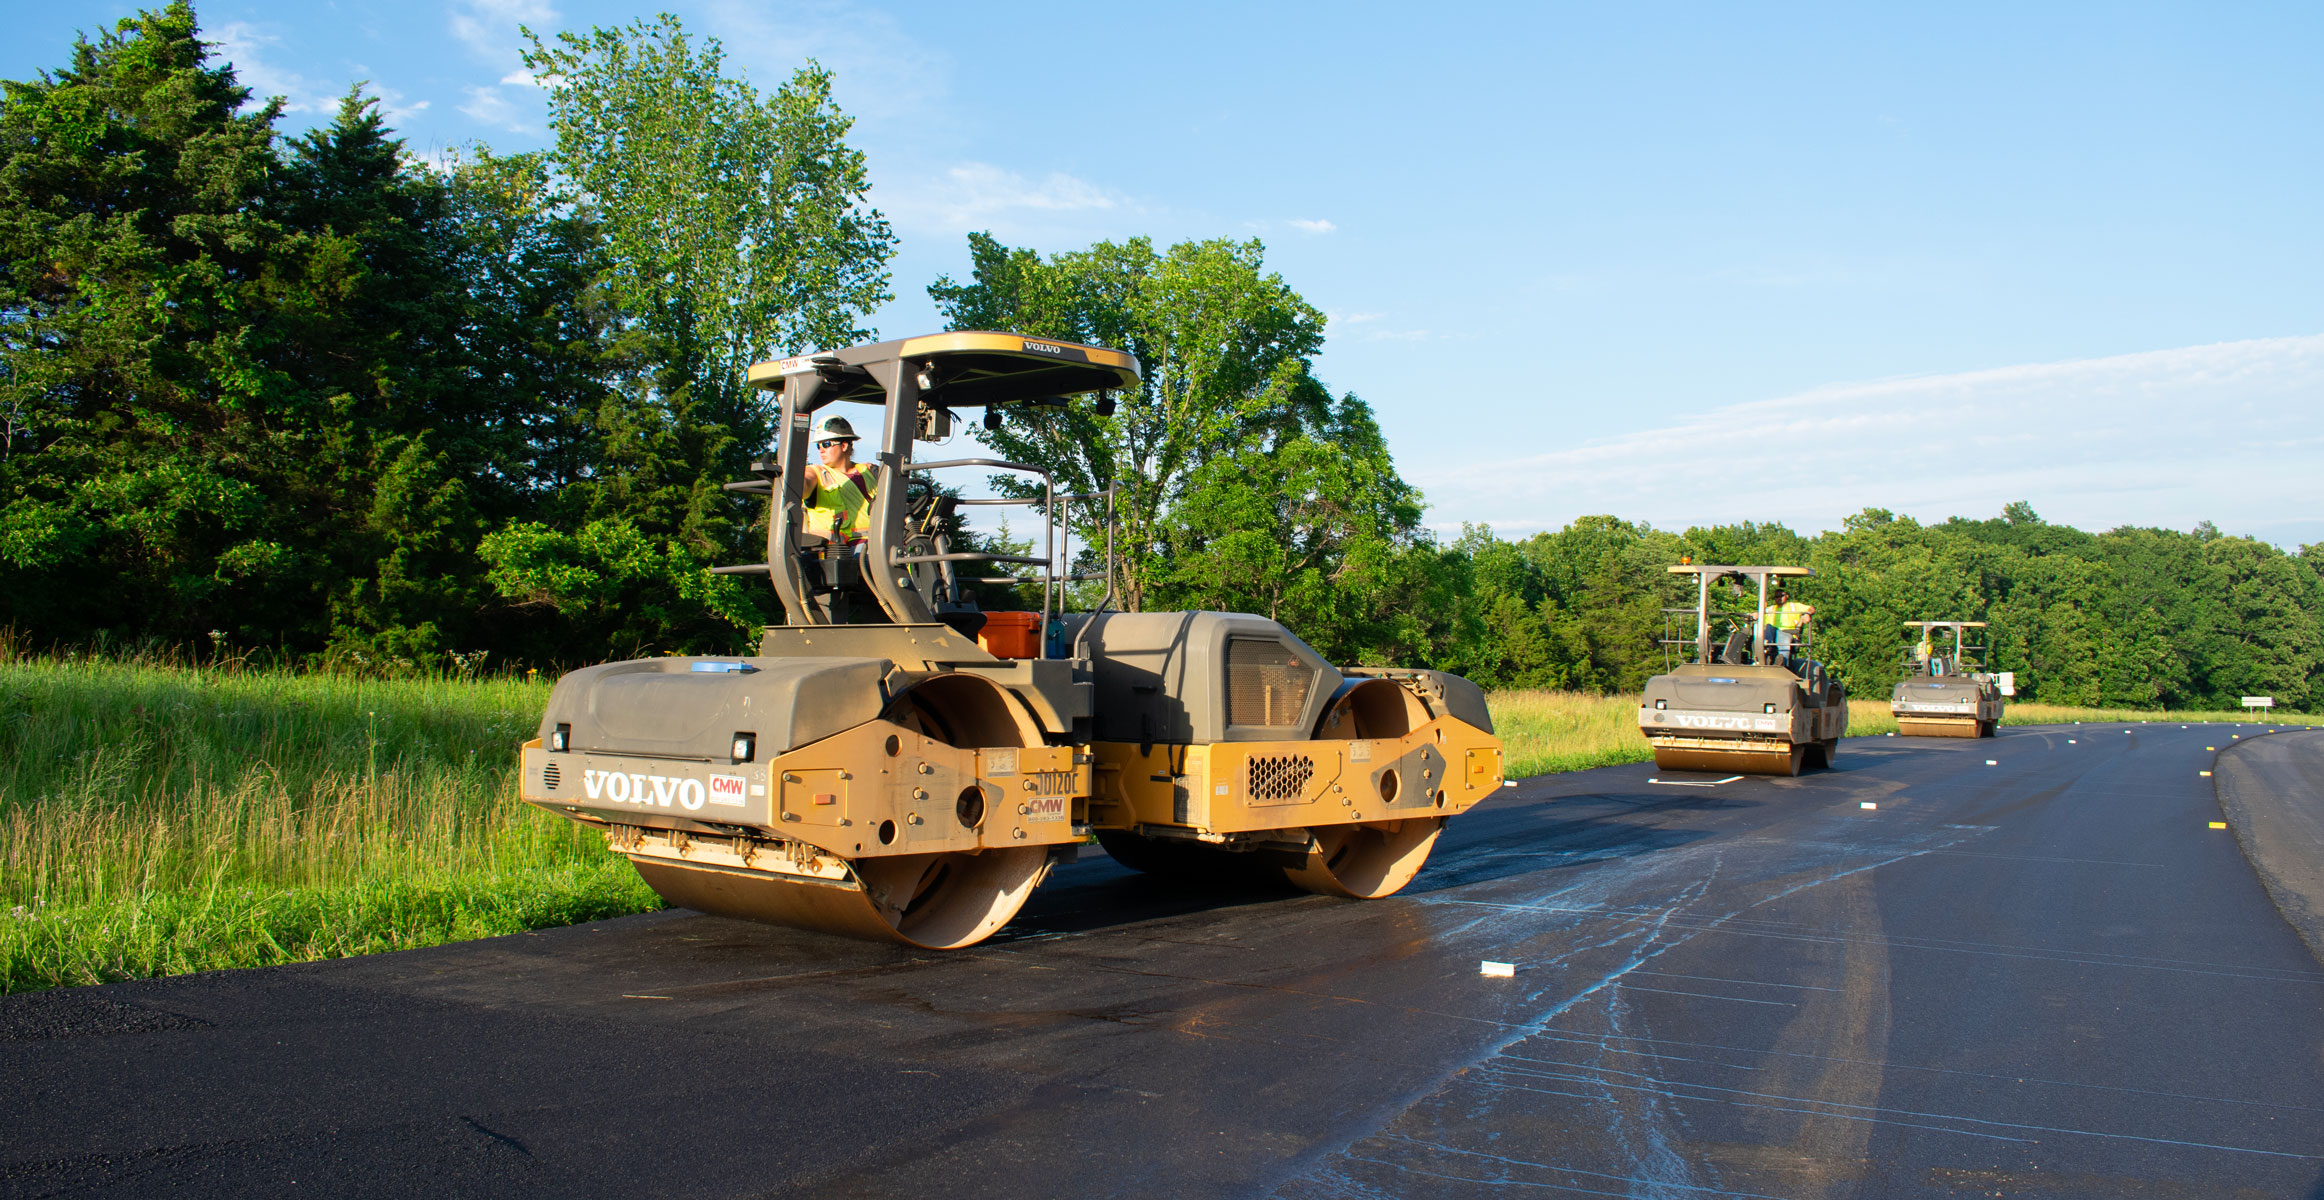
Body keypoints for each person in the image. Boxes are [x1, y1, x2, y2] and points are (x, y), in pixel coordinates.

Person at [801, 413, 877, 547]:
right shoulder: (816, 472)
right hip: (836, 552)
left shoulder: (870, 471)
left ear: (844, 446)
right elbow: (802, 486)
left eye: (826, 444)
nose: (821, 450)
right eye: (818, 446)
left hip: (877, 545)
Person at [1767, 588, 1815, 668]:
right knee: (1765, 630)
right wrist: (1753, 615)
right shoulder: (1770, 609)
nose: (1779, 598)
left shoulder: (1794, 606)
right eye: (1776, 596)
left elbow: (1811, 609)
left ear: (1787, 596)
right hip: (1771, 632)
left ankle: (1782, 663)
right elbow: (1758, 614)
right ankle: (1759, 659)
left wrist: (1807, 614)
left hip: (1787, 631)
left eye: (1781, 596)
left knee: (1782, 638)